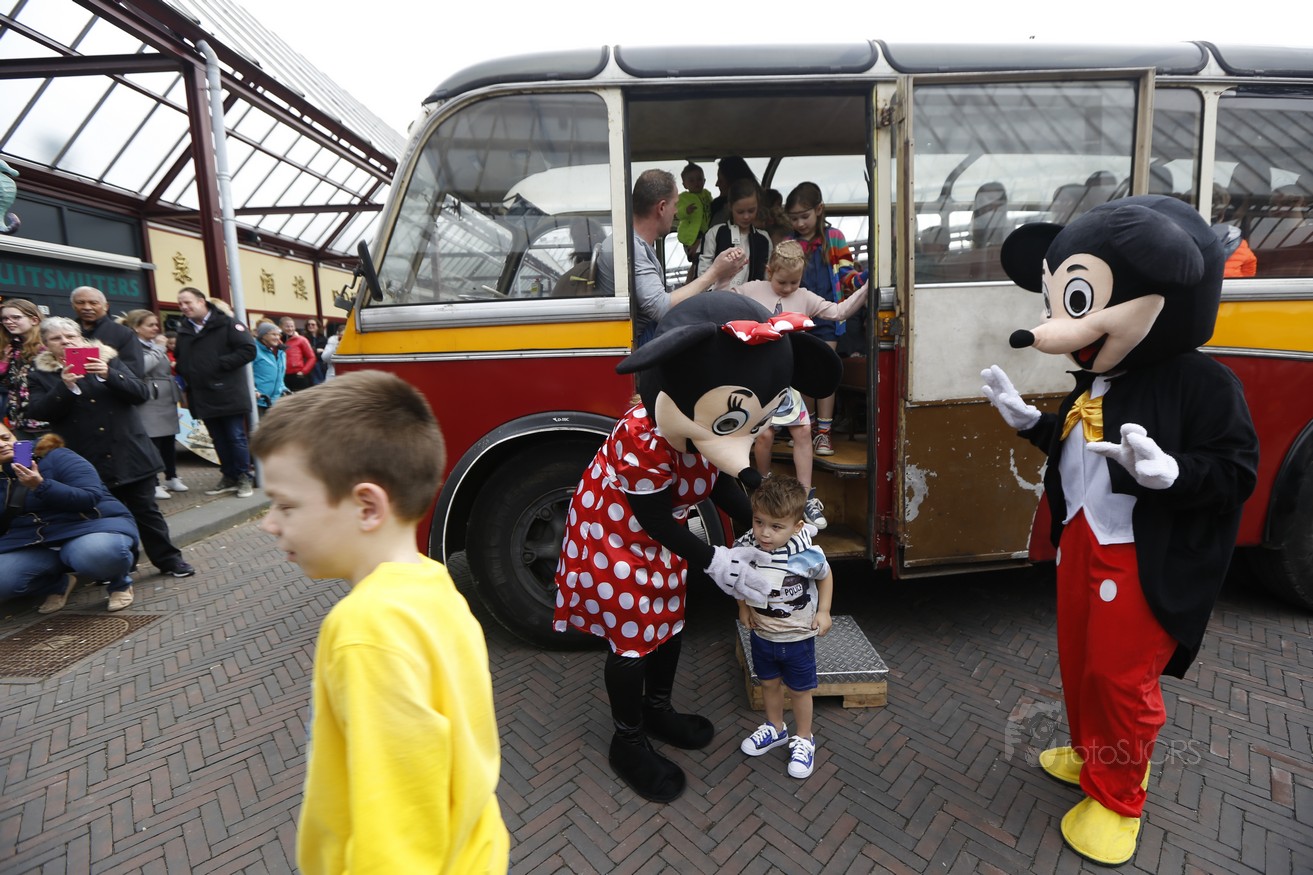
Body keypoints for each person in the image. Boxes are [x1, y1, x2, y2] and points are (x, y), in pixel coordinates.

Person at [251, 371, 509, 874]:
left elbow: (394, 830)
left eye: (285, 505)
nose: (270, 524)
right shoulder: (434, 585)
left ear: (367, 506)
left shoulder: (365, 629)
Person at [26, 317, 195, 590]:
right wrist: (64, 387)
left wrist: (108, 374)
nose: (65, 342)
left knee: (146, 511)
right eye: (57, 338)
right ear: (46, 344)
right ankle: (120, 566)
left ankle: (169, 560)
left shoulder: (108, 359)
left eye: (70, 336)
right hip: (87, 457)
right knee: (104, 516)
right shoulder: (40, 374)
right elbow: (39, 412)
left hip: (128, 450)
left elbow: (140, 393)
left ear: (81, 338)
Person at [730, 240, 869, 527]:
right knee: (765, 435)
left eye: (795, 282)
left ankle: (805, 497)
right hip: (757, 377)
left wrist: (868, 286)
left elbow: (839, 312)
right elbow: (720, 297)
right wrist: (723, 272)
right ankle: (763, 488)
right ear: (769, 271)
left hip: (786, 377)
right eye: (782, 282)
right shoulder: (752, 289)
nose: (788, 288)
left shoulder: (804, 296)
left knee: (803, 431)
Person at [734, 475, 833, 779]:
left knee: (800, 691)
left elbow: (825, 576)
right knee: (768, 684)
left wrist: (824, 611)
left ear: (797, 526)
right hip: (763, 634)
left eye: (776, 527)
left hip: (797, 637)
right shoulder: (748, 547)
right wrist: (743, 607)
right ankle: (776, 728)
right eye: (759, 522)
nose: (765, 533)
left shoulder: (804, 554)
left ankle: (804, 738)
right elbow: (737, 576)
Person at [594, 168, 748, 344]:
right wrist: (714, 272)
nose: (676, 212)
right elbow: (661, 308)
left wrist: (720, 276)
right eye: (675, 204)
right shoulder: (632, 248)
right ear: (661, 207)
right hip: (640, 339)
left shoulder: (633, 243)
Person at [0, 427, 140, 613]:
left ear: (14, 436)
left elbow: (88, 497)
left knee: (98, 553)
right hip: (32, 540)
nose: (2, 445)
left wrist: (40, 485)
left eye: (5, 437)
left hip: (88, 526)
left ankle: (119, 583)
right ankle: (58, 584)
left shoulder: (55, 455)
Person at [785, 182, 864, 456]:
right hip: (799, 317)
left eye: (804, 216)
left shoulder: (835, 238)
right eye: (794, 218)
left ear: (819, 210)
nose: (799, 223)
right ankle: (806, 429)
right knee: (805, 374)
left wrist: (861, 280)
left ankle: (824, 433)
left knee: (825, 373)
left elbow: (846, 274)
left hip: (829, 316)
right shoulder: (788, 244)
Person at [174, 288, 257, 498]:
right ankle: (229, 475)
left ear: (202, 301)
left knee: (235, 436)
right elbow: (181, 357)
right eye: (180, 304)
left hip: (228, 391)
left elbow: (248, 350)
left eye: (187, 302)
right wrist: (185, 370)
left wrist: (218, 364)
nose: (184, 307)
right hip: (202, 394)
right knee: (217, 438)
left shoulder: (227, 323)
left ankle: (244, 476)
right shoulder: (184, 330)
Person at [118, 310, 187, 499]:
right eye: (150, 325)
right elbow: (141, 367)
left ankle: (171, 476)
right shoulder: (131, 346)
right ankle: (153, 482)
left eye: (157, 324)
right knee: (152, 441)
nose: (156, 328)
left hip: (166, 397)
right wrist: (158, 348)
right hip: (149, 397)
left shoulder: (154, 344)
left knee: (169, 440)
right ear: (136, 327)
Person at [698, 177, 771, 286]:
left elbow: (767, 274)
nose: (746, 216)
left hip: (751, 295)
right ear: (730, 207)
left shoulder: (763, 239)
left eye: (751, 211)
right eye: (740, 212)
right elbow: (704, 268)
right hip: (719, 294)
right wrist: (711, 292)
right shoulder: (716, 233)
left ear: (758, 207)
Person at [0, 298, 49, 440]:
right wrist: (4, 362)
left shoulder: (49, 344)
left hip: (47, 422)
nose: (9, 322)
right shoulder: (11, 347)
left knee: (52, 454)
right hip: (19, 423)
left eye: (16, 317)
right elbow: (7, 385)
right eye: (5, 318)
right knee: (23, 455)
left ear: (34, 320)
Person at [70, 286, 145, 378]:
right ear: (73, 306)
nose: (87, 307)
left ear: (106, 306)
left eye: (93, 303)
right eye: (80, 303)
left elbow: (134, 372)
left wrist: (107, 373)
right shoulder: (66, 333)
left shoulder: (123, 333)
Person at [707, 155, 760, 228]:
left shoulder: (723, 213)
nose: (717, 184)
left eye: (721, 180)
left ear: (733, 183)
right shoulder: (763, 208)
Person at [674, 161, 713, 259]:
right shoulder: (683, 198)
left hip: (705, 230)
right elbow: (677, 213)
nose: (696, 183)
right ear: (685, 185)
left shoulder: (707, 194)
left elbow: (712, 207)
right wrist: (686, 211)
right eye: (691, 181)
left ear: (704, 181)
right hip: (691, 233)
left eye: (699, 179)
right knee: (695, 255)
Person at [253, 322, 290, 415]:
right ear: (263, 335)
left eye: (278, 335)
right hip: (259, 401)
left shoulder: (281, 352)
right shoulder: (253, 350)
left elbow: (279, 376)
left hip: (276, 402)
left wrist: (283, 389)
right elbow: (245, 375)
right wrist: (254, 390)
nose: (277, 338)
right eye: (273, 334)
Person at [279, 317, 316, 392]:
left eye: (292, 326)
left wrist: (303, 371)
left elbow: (312, 357)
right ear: (281, 327)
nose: (290, 329)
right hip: (282, 375)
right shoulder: (277, 341)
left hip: (298, 375)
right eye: (287, 326)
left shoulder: (301, 340)